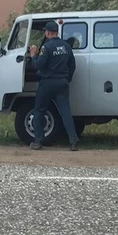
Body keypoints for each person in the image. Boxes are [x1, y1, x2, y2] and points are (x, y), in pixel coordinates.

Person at [26, 20, 79, 151]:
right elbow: (72, 64)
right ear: (57, 32)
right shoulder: (66, 46)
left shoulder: (46, 47)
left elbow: (39, 65)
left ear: (48, 32)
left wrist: (33, 55)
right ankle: (73, 142)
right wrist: (68, 78)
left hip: (47, 83)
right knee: (65, 112)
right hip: (62, 83)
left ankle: (38, 141)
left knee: (39, 110)